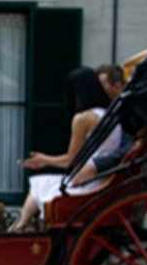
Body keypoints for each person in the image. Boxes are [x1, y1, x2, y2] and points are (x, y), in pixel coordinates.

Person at [7, 64, 126, 232]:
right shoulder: (109, 114)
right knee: (42, 183)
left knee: (39, 184)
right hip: (101, 177)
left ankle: (19, 228)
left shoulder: (82, 119)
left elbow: (71, 160)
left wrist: (44, 160)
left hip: (89, 181)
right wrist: (44, 160)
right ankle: (20, 225)